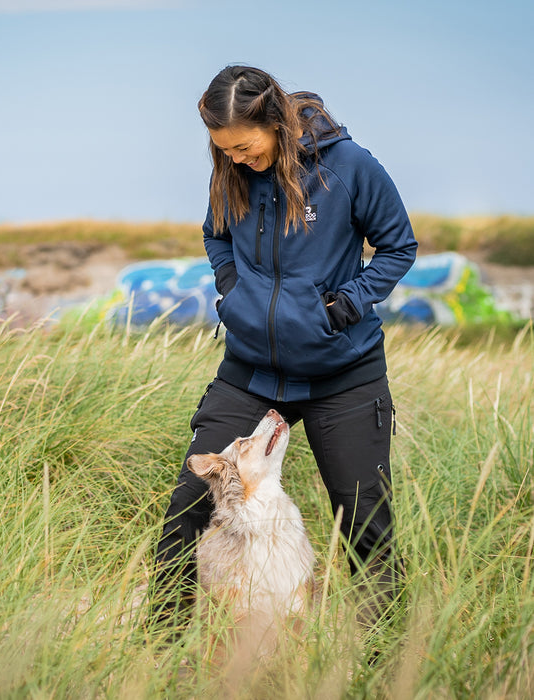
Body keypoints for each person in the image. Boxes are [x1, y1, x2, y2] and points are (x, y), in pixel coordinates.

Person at [151, 65, 418, 635]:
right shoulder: (231, 171)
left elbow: (399, 246)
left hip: (342, 374)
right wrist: (232, 290)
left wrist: (341, 307)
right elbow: (216, 234)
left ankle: (387, 669)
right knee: (186, 511)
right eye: (225, 151)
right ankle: (156, 661)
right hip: (250, 371)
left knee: (365, 527)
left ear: (275, 123)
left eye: (245, 147)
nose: (238, 160)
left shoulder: (350, 168)